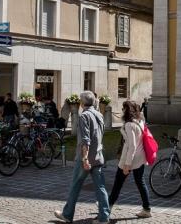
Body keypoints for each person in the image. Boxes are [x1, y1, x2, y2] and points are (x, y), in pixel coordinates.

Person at [54, 90, 110, 223]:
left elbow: (85, 140)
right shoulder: (99, 114)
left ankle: (67, 215)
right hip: (98, 156)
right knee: (100, 187)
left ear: (81, 103)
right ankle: (104, 216)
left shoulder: (84, 116)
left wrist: (85, 158)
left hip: (86, 158)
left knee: (75, 185)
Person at [107, 100, 151, 219]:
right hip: (140, 157)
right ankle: (146, 209)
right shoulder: (140, 121)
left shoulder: (129, 125)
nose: (122, 110)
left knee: (118, 184)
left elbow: (132, 146)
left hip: (130, 158)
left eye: (123, 108)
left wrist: (127, 164)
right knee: (140, 182)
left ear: (127, 110)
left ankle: (106, 210)